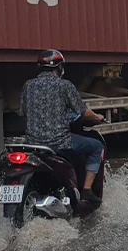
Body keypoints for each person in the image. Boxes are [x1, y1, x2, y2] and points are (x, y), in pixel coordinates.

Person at [20, 50, 107, 204]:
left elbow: (24, 112)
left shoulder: (28, 85)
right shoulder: (64, 85)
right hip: (59, 142)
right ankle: (86, 191)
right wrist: (97, 117)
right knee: (96, 147)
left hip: (32, 143)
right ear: (59, 67)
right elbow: (84, 112)